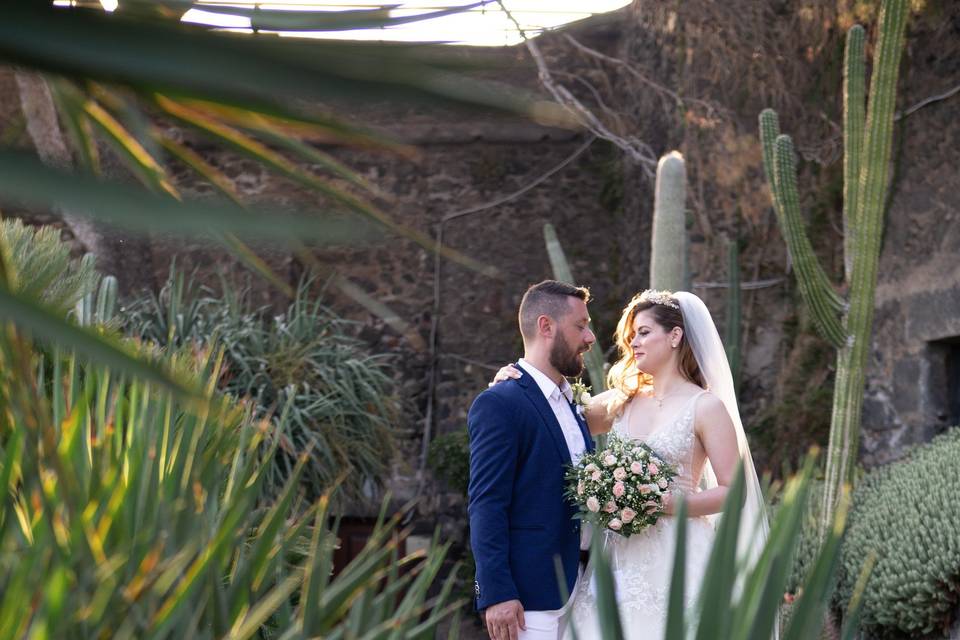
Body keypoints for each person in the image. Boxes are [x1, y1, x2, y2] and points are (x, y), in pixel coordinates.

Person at [489, 289, 771, 640]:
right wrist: (516, 381)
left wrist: (666, 504)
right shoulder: (623, 400)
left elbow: (734, 491)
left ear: (675, 336)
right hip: (617, 557)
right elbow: (553, 413)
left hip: (679, 551)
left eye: (643, 332)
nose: (633, 342)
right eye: (631, 335)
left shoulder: (706, 407)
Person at [468, 280, 597, 640]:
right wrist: (496, 593)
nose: (590, 338)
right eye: (581, 325)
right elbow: (487, 503)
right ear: (546, 326)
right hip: (528, 601)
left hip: (585, 592)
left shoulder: (575, 404)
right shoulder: (501, 402)